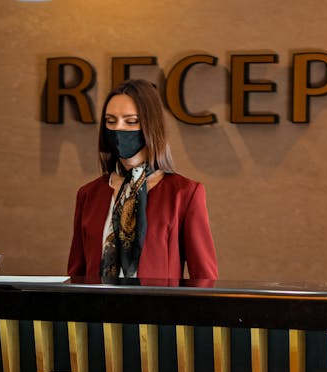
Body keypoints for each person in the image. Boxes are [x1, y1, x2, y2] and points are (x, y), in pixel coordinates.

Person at [67, 79, 217, 281]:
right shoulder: (89, 194)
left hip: (157, 311)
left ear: (150, 125)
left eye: (130, 121)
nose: (118, 129)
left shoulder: (184, 193)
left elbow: (204, 278)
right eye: (111, 121)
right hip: (95, 310)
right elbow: (76, 275)